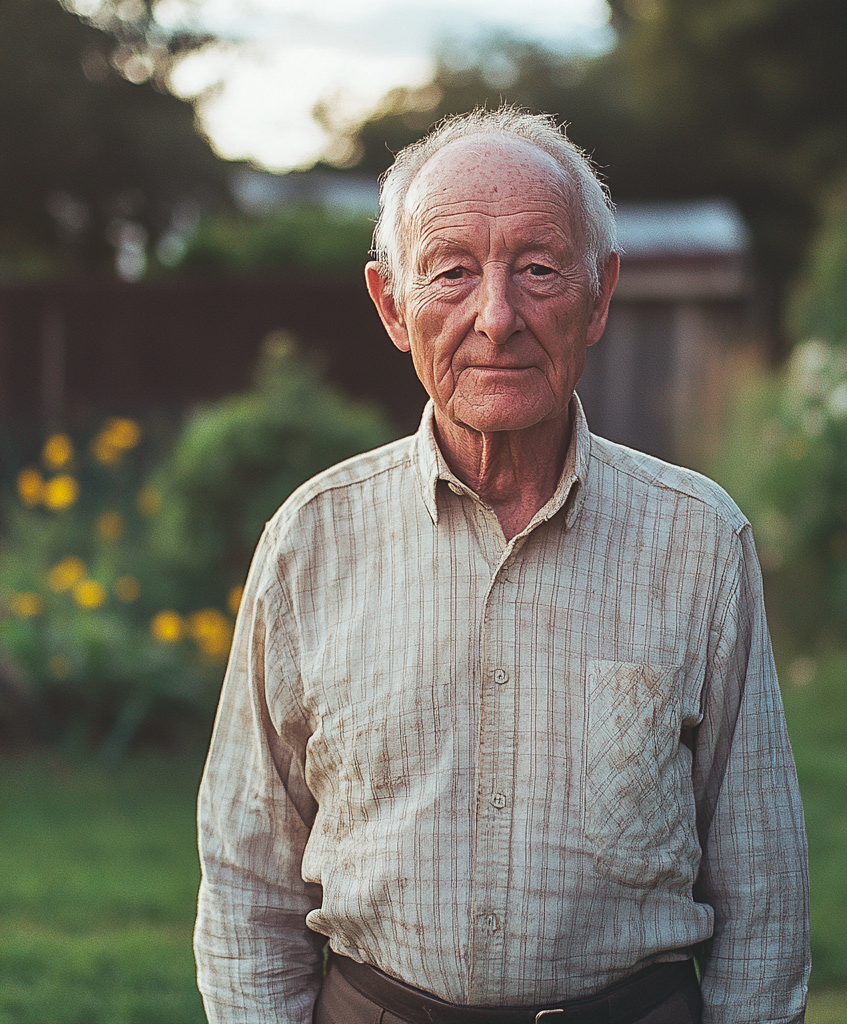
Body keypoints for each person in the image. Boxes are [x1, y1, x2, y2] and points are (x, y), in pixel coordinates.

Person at [195, 107, 810, 1024]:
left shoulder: (698, 544)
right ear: (392, 307)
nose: (497, 316)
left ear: (599, 295)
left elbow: (764, 899)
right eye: (451, 271)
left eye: (537, 268)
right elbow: (248, 880)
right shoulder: (308, 544)